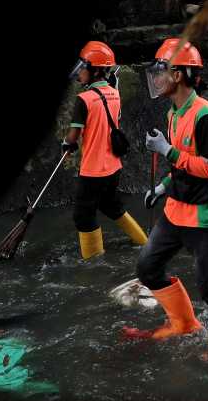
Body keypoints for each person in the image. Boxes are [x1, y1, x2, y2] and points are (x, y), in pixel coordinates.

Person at [122, 39, 208, 347]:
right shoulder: (174, 113)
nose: (155, 78)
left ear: (178, 76)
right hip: (176, 209)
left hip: (204, 216)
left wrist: (167, 150)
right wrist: (161, 188)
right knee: (147, 268)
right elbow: (181, 167)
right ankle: (184, 324)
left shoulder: (205, 115)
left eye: (160, 71)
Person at [63, 41, 147, 259]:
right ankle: (144, 243)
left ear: (96, 70)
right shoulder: (114, 93)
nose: (80, 72)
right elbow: (114, 121)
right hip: (113, 167)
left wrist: (67, 142)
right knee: (112, 206)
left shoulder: (83, 99)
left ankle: (94, 265)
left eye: (84, 68)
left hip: (93, 170)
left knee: (83, 218)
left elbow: (74, 135)